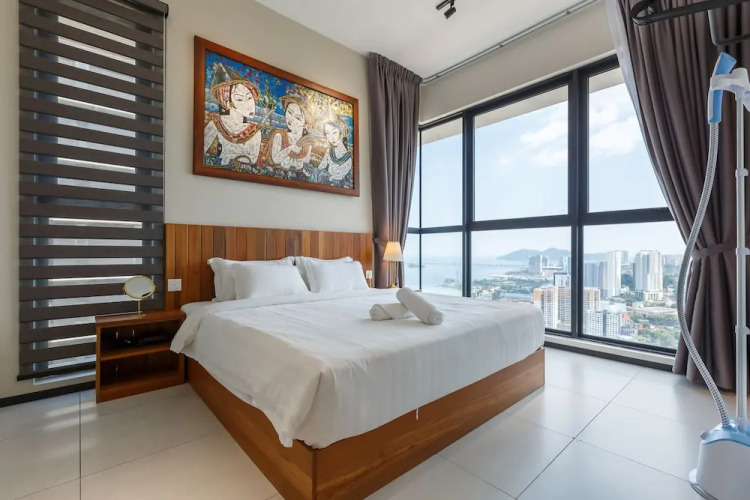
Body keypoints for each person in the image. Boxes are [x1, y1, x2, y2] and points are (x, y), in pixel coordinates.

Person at [203, 63, 262, 167]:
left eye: (249, 98)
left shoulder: (255, 132)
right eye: (239, 99)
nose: (249, 105)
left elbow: (253, 159)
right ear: (227, 102)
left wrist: (231, 157)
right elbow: (200, 152)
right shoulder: (216, 124)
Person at [266, 95, 313, 171]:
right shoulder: (279, 135)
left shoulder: (307, 142)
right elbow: (276, 160)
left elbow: (305, 164)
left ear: (305, 124)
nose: (291, 119)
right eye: (289, 112)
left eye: (297, 118)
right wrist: (291, 147)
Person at [317, 115, 353, 186]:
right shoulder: (329, 150)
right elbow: (322, 166)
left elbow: (343, 173)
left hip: (340, 184)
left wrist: (333, 178)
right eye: (327, 133)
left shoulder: (347, 156)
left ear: (341, 133)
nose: (331, 137)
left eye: (334, 132)